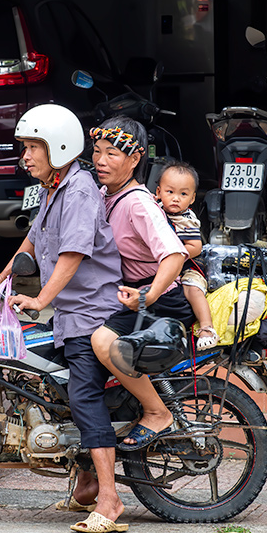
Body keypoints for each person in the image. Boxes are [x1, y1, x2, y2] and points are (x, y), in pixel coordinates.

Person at [0, 103, 128, 533]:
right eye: (25, 146)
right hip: (72, 314)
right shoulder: (53, 188)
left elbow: (73, 253)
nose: (26, 155)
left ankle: (110, 500)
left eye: (34, 146)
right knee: (54, 385)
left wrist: (39, 300)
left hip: (93, 313)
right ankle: (85, 484)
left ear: (60, 146)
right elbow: (34, 238)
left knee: (84, 396)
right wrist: (3, 275)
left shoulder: (80, 189)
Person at [89, 115, 195, 451]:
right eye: (97, 150)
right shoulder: (107, 193)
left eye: (112, 153)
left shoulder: (138, 204)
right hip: (130, 294)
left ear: (135, 159)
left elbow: (175, 256)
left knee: (103, 342)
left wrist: (147, 295)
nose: (100, 160)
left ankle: (156, 412)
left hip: (159, 299)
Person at [155, 160, 217, 350]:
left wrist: (173, 256)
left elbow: (195, 247)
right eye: (170, 192)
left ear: (191, 199)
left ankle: (207, 327)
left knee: (193, 289)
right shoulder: (153, 208)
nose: (175, 198)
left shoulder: (186, 220)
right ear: (158, 192)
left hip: (189, 266)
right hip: (167, 265)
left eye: (183, 194)